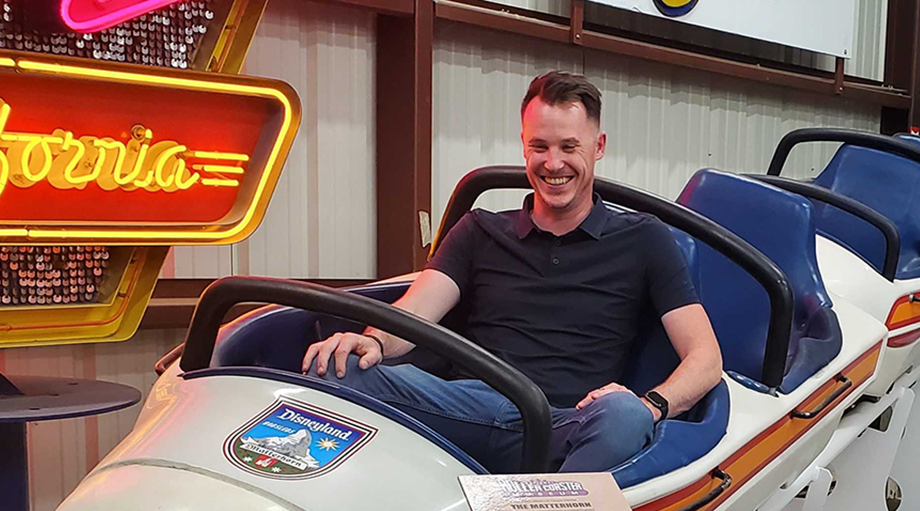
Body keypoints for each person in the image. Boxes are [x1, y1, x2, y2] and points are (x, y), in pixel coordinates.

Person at [303, 71, 722, 474]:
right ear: (523, 145)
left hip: (562, 425)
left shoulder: (644, 238)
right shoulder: (479, 229)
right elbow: (414, 313)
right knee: (339, 366)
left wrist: (651, 405)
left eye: (569, 147)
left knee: (625, 416)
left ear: (598, 147)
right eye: (539, 146)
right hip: (461, 408)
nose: (553, 163)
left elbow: (705, 358)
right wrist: (369, 340)